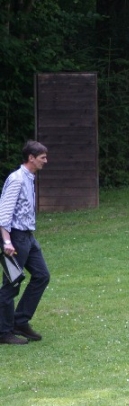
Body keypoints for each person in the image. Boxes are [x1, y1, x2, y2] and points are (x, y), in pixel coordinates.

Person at [0, 140, 51, 345]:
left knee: (41, 275)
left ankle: (20, 321)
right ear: (31, 158)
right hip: (16, 239)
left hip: (28, 237)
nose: (45, 161)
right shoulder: (17, 179)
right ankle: (3, 332)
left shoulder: (29, 178)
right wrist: (6, 242)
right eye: (42, 158)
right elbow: (3, 213)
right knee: (11, 284)